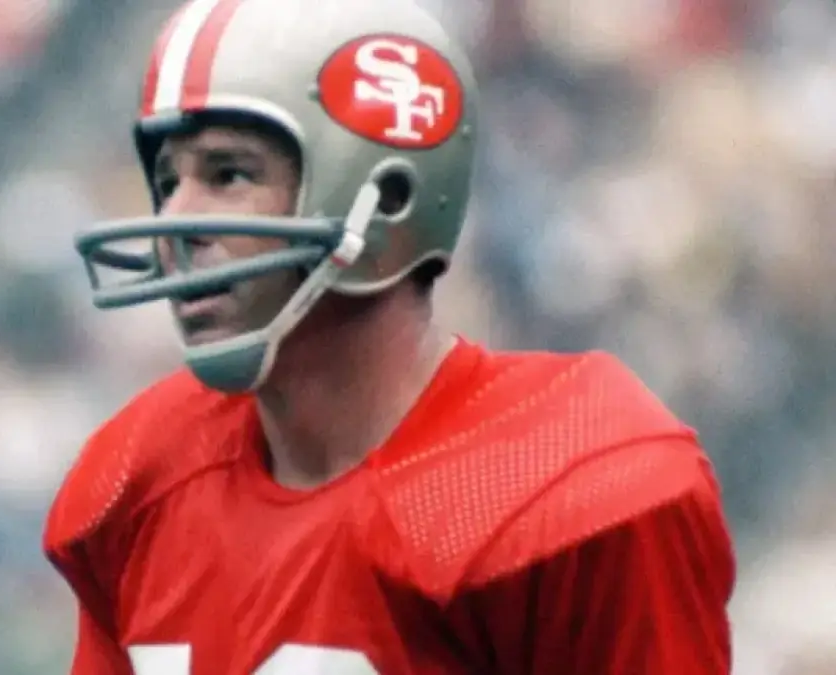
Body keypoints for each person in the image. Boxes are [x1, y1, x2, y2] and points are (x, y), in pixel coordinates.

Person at [43, 0, 736, 672]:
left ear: (386, 201)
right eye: (169, 180)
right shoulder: (140, 479)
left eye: (229, 174)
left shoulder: (561, 479)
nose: (176, 220)